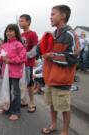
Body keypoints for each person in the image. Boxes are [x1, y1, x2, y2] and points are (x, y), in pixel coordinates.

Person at [41, 5, 80, 135]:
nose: (50, 17)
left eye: (53, 14)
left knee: (64, 107)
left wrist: (52, 56)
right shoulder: (53, 35)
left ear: (63, 16)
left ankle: (65, 131)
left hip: (62, 80)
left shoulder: (70, 34)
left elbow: (74, 57)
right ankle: (53, 125)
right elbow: (41, 49)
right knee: (52, 104)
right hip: (50, 77)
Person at [0, 24, 27, 121]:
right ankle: (6, 108)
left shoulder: (18, 44)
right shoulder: (4, 45)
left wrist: (10, 60)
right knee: (6, 90)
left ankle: (16, 111)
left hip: (15, 72)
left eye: (11, 31)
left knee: (16, 92)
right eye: (7, 31)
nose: (8, 33)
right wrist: (0, 57)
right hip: (6, 72)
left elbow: (23, 57)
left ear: (16, 32)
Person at [19, 14, 38, 113]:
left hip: (28, 63)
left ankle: (32, 102)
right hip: (20, 63)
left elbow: (35, 49)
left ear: (28, 22)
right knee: (22, 83)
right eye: (19, 21)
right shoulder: (20, 35)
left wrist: (25, 56)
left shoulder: (33, 34)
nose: (19, 22)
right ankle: (24, 100)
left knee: (29, 83)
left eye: (22, 21)